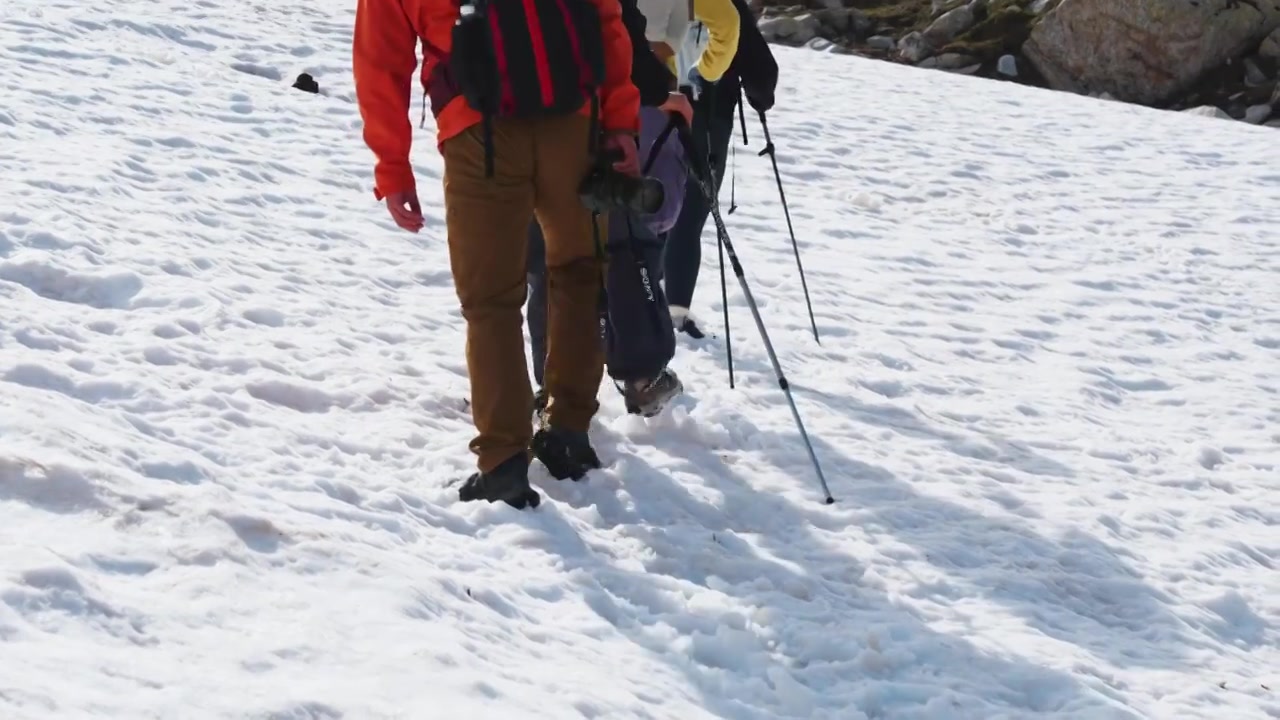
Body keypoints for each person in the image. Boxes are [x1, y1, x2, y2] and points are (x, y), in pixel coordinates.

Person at [353, 0, 641, 509]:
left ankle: (503, 461)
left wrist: (392, 167)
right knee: (578, 273)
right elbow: (607, 22)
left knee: (490, 300)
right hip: (573, 118)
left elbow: (381, 58)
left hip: (477, 126)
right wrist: (619, 120)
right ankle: (569, 434)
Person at [525, 0, 692, 418]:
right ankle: (639, 378)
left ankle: (549, 386)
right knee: (616, 248)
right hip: (592, 119)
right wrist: (661, 97)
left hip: (513, 123)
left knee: (544, 261)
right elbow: (623, 42)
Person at [663, 0, 776, 338]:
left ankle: (636, 300)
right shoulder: (727, 8)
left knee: (649, 209)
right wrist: (760, 98)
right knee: (690, 214)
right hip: (707, 117)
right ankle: (676, 311)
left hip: (649, 107)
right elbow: (762, 72)